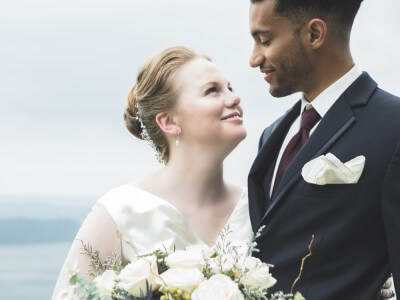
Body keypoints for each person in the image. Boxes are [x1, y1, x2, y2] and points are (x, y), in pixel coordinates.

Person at [52, 46, 252, 299]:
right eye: (212, 91)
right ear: (168, 121)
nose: (234, 98)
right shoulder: (120, 212)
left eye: (230, 88)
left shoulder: (256, 207)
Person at [247, 0, 400, 299]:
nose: (254, 58)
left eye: (265, 40)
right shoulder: (272, 136)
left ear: (315, 34)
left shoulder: (394, 127)